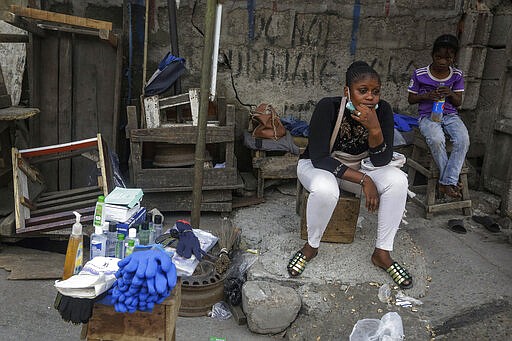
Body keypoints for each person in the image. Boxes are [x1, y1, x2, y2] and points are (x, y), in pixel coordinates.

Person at [287, 61, 412, 290]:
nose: (370, 97)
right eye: (362, 91)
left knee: (398, 181)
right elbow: (320, 157)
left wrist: (375, 128)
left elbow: (381, 161)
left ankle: (382, 253)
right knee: (326, 189)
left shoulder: (382, 111)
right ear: (347, 91)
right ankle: (311, 247)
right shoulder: (329, 107)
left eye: (375, 91)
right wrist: (365, 180)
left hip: (359, 166)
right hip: (318, 166)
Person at [407, 34, 469, 199]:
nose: (442, 61)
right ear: (432, 55)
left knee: (463, 139)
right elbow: (411, 99)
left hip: (450, 115)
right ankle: (449, 183)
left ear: (453, 58)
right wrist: (427, 96)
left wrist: (449, 93)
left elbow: (458, 102)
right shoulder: (420, 74)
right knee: (436, 139)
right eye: (438, 57)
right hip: (427, 116)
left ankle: (445, 183)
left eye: (447, 58)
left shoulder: (457, 75)